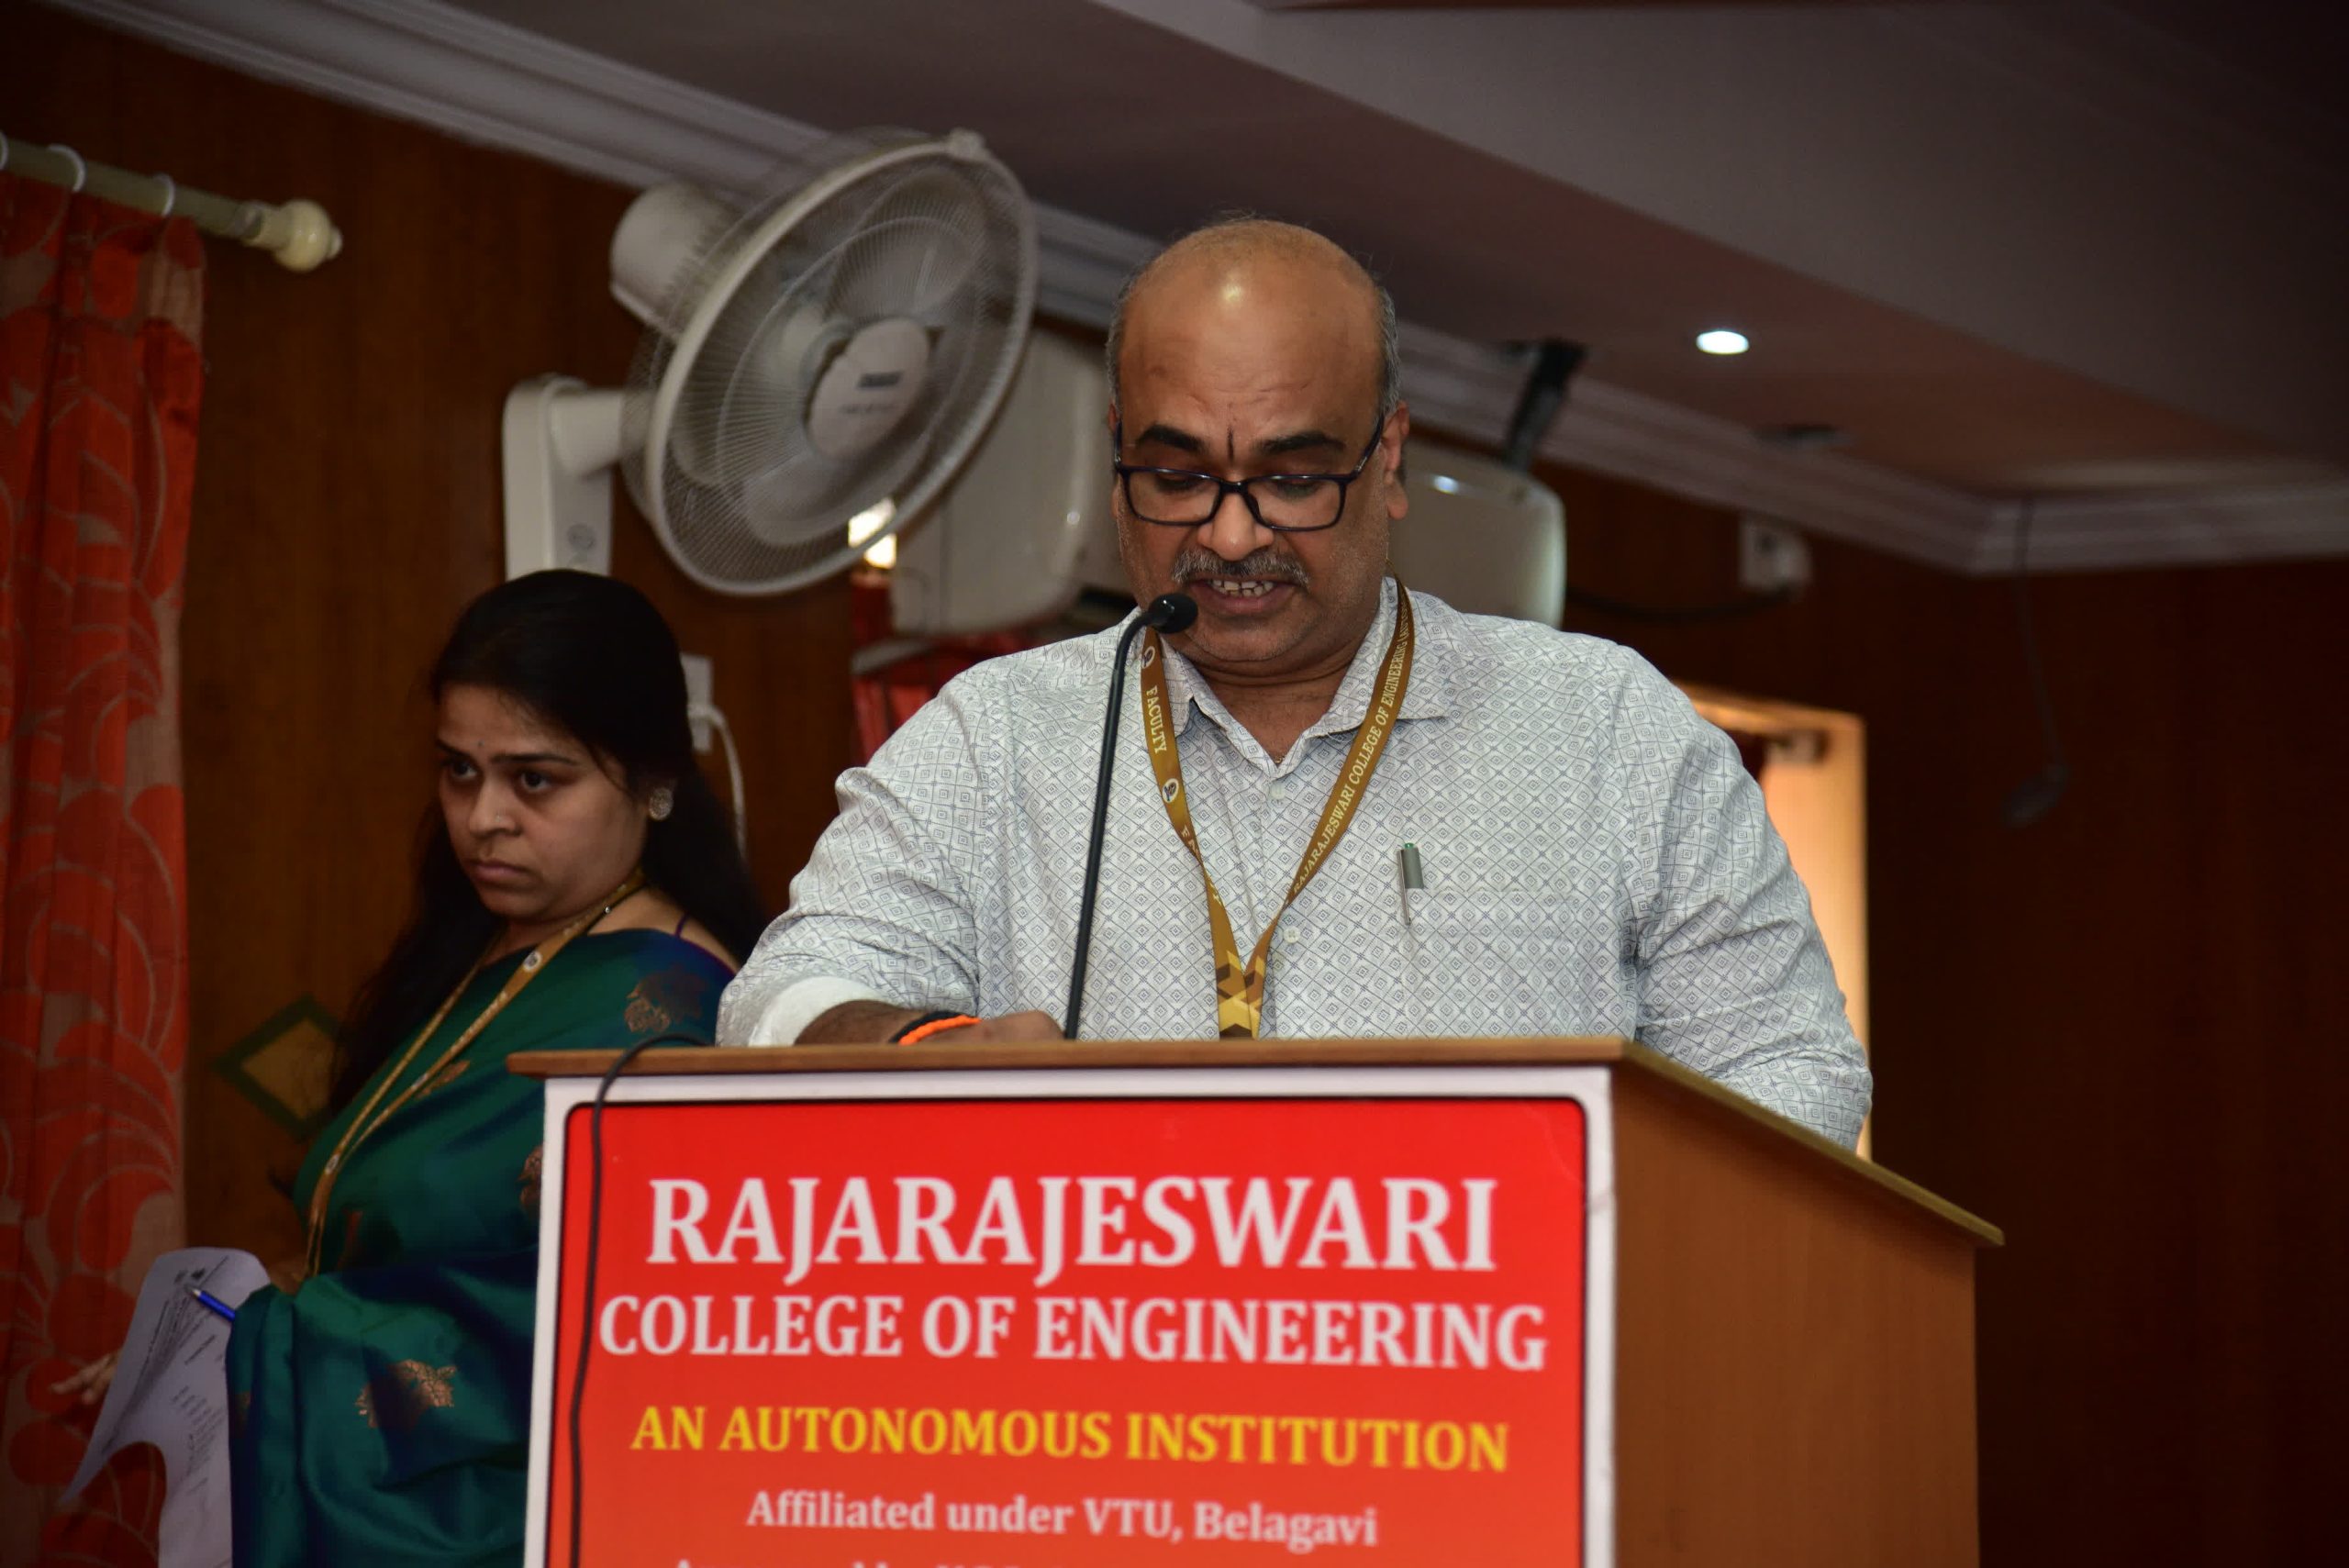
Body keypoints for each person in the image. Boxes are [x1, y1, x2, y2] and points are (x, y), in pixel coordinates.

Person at [718, 217, 1870, 1147]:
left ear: (1389, 458)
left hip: (1502, 1338)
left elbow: (1789, 1064)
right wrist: (925, 1047)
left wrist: (1587, 1216)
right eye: (1176, 475)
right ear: (1116, 460)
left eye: (1292, 478)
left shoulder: (1603, 727)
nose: (1229, 535)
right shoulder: (994, 735)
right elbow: (776, 1001)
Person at [64, 571, 764, 1565]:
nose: (482, 818)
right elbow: (399, 1240)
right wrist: (227, 1327)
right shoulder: (486, 944)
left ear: (653, 781)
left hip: (498, 1526)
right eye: (459, 770)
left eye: (535, 779)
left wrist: (263, 1344)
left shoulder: (675, 1018)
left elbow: (596, 1333)